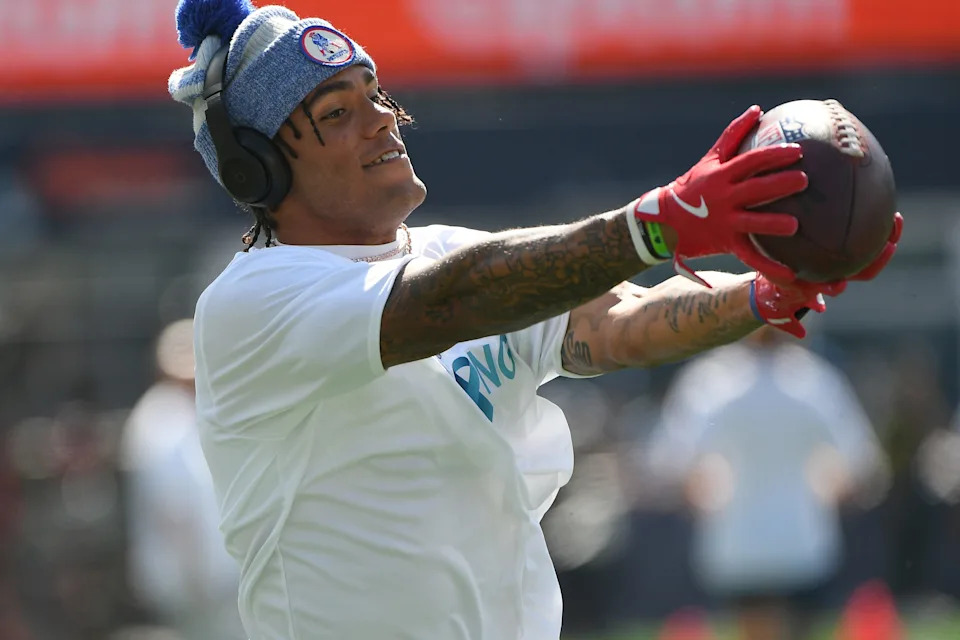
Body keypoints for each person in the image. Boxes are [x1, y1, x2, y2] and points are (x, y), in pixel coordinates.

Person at [167, 1, 902, 638]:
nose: (382, 119)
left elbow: (615, 324)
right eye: (337, 113)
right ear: (255, 169)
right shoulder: (249, 303)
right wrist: (655, 224)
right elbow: (450, 303)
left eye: (375, 92)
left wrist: (757, 300)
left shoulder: (454, 255)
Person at [648, 326, 888, 640]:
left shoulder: (712, 381)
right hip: (802, 541)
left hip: (738, 543)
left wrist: (709, 493)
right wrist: (822, 490)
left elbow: (667, 462)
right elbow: (862, 463)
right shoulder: (812, 379)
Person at [120, 319, 244, 640]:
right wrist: (198, 578)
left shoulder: (193, 411)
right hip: (194, 584)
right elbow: (174, 509)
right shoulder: (161, 419)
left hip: (210, 581)